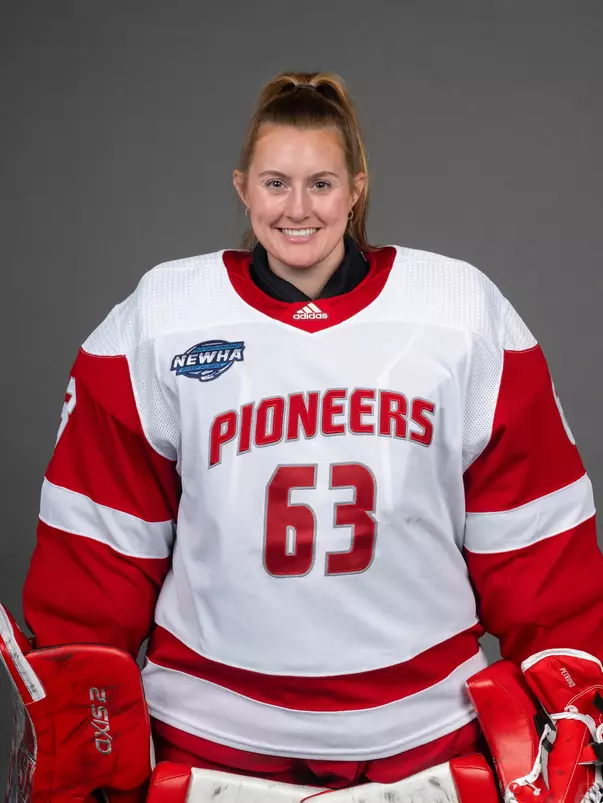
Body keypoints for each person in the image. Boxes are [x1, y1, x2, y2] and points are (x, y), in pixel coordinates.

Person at [20, 70, 603, 791]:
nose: (297, 208)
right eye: (275, 183)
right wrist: (87, 721)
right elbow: (97, 553)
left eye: (321, 184)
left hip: (423, 735)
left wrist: (572, 700)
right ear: (242, 188)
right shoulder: (161, 318)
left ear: (356, 189)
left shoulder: (460, 313)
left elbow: (536, 548)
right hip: (208, 738)